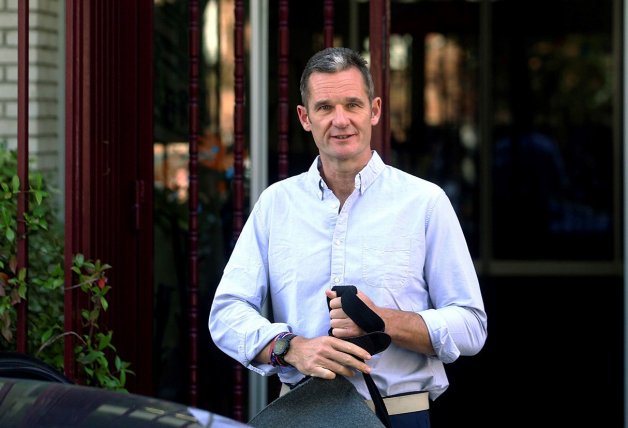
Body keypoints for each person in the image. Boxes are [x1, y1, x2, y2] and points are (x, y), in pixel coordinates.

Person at [209, 47, 488, 428]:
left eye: (352, 104)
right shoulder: (277, 204)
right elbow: (226, 312)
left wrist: (381, 320)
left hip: (398, 417)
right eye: (324, 107)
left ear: (374, 110)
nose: (340, 120)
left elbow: (471, 325)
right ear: (305, 118)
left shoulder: (424, 202)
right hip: (302, 416)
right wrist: (289, 348)